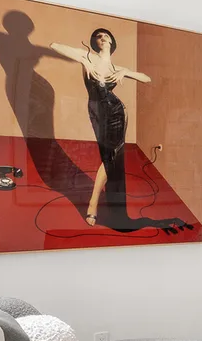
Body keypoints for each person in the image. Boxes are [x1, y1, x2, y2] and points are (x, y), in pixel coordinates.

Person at [49, 28, 167, 230]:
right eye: (98, 36)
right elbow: (54, 46)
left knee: (110, 157)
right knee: (107, 156)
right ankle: (98, 204)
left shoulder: (116, 67)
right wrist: (84, 61)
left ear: (112, 42)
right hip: (96, 110)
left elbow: (146, 78)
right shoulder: (87, 56)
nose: (102, 38)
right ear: (95, 42)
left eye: (106, 36)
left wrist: (125, 72)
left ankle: (93, 204)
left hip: (116, 113)